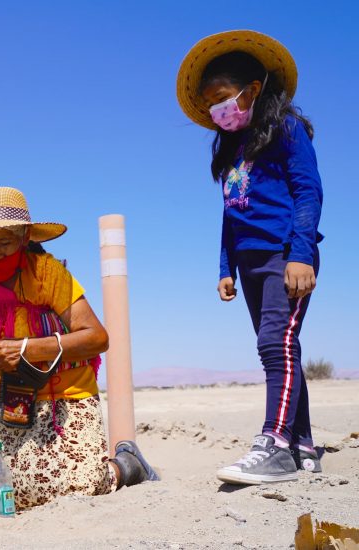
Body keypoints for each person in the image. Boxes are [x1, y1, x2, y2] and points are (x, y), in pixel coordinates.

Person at [0, 187, 156, 510]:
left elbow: (96, 338)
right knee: (1, 493)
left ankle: (127, 464)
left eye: (4, 242)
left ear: (24, 237)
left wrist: (27, 349)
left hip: (59, 401)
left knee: (80, 488)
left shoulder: (47, 273)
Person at [176, 30, 324, 485]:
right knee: (283, 348)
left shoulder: (286, 129)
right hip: (249, 262)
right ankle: (301, 444)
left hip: (286, 256)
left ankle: (274, 444)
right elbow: (231, 213)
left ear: (252, 90)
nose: (218, 111)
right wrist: (226, 268)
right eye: (211, 105)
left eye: (223, 98)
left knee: (272, 345)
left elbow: (308, 191)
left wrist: (300, 254)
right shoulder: (232, 149)